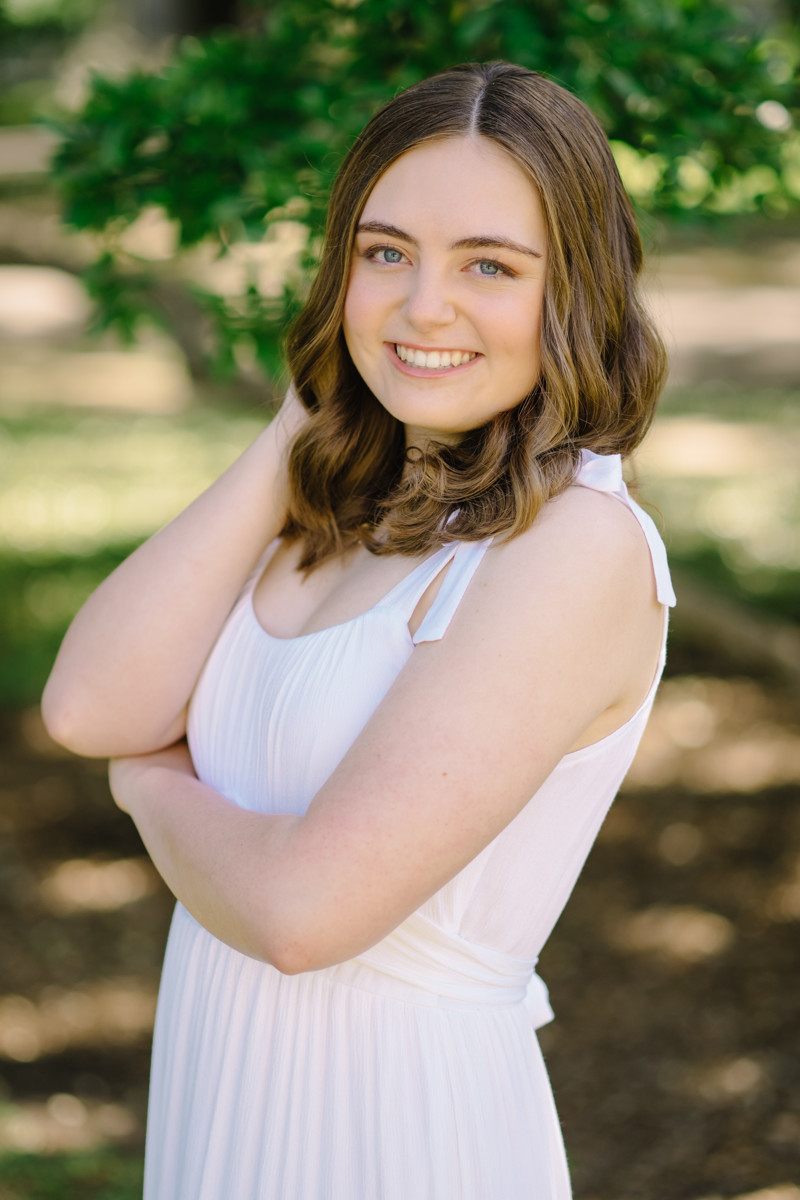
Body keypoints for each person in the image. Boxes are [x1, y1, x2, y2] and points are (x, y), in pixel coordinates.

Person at [42, 60, 676, 1200]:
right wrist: (302, 416)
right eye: (385, 255)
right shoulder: (337, 506)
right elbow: (89, 707)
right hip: (227, 1092)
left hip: (399, 1129)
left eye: (487, 265)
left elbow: (298, 913)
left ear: (572, 290)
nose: (420, 305)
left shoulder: (574, 549)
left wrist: (150, 790)